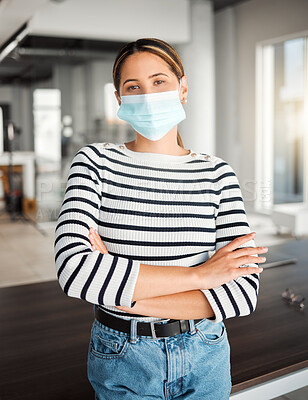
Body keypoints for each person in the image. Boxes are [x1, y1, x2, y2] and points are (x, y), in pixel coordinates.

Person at [54, 38, 267, 399]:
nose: (147, 95)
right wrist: (201, 276)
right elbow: (75, 270)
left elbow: (241, 294)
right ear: (120, 99)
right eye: (132, 87)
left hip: (205, 352)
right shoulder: (95, 163)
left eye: (159, 82)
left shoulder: (217, 174)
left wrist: (122, 297)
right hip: (121, 355)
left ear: (183, 89)